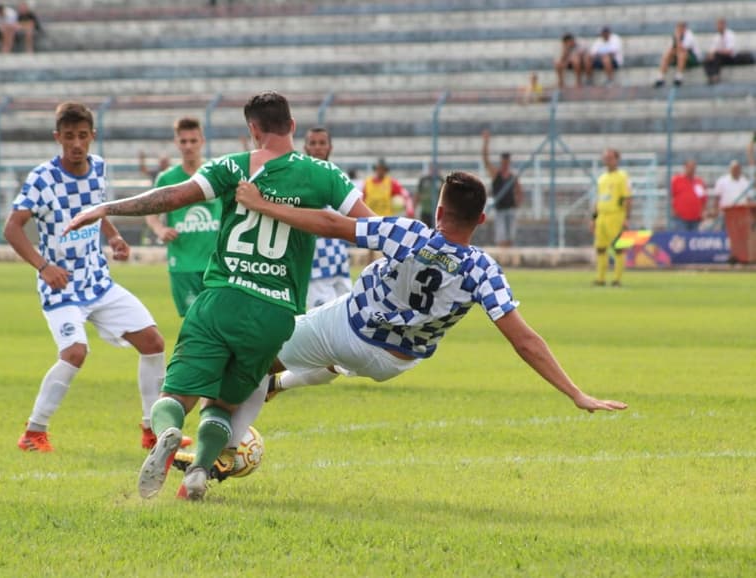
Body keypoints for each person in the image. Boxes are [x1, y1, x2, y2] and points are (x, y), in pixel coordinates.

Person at [205, 171, 628, 480]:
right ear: (481, 220)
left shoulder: (410, 234)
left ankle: (214, 450)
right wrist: (575, 393)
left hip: (348, 326)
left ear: (439, 210)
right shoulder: (484, 269)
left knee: (252, 359)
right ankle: (283, 385)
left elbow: (334, 224)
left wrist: (262, 205)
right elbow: (525, 342)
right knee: (332, 364)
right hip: (394, 362)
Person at [64, 91, 374, 501]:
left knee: (175, 394)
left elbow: (171, 197)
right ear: (293, 126)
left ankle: (169, 431)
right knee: (225, 405)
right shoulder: (325, 175)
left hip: (222, 298)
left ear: (253, 129)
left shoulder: (234, 166)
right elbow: (371, 224)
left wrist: (107, 208)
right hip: (276, 312)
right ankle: (198, 473)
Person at [3, 102, 172, 453]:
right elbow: (12, 228)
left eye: (82, 136)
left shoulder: (98, 168)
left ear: (93, 136)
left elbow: (95, 208)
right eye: (68, 137)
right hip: (61, 285)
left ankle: (151, 430)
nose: (76, 144)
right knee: (75, 352)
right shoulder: (41, 178)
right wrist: (44, 267)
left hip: (97, 281)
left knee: (153, 342)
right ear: (57, 138)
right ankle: (34, 433)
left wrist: (112, 236)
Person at [145, 117, 221, 317]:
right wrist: (160, 229)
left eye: (193, 141)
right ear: (176, 143)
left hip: (215, 265)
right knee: (193, 323)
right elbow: (151, 213)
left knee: (218, 321)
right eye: (183, 141)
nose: (188, 146)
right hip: (183, 264)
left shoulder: (216, 174)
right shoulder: (167, 179)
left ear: (202, 141)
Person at [303, 126, 353, 309]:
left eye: (322, 143)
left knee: (348, 319)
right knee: (326, 325)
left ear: (330, 147)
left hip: (339, 261)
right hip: (315, 265)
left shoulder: (339, 177)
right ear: (306, 147)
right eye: (313, 143)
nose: (318, 147)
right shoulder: (302, 179)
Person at [591, 149, 632, 287]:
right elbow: (598, 199)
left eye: (610, 157)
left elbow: (627, 199)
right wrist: (593, 218)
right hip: (602, 216)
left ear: (617, 159)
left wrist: (627, 217)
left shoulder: (622, 177)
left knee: (618, 247)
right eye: (605, 158)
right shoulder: (602, 178)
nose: (607, 160)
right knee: (600, 248)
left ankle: (617, 279)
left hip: (616, 216)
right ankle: (600, 278)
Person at [481, 130, 524, 248]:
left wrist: (519, 201)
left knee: (510, 237)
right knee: (502, 237)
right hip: (500, 209)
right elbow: (486, 160)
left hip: (510, 209)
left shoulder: (512, 176)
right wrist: (486, 143)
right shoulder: (496, 174)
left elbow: (519, 190)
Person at [654, 21, 702, 87]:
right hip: (679, 56)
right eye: (678, 27)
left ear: (684, 28)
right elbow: (671, 49)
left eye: (681, 27)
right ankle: (660, 77)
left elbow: (682, 49)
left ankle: (679, 77)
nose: (679, 29)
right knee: (668, 53)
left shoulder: (689, 35)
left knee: (682, 54)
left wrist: (678, 39)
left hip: (693, 59)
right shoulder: (676, 35)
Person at [670, 159, 707, 231]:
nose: (692, 169)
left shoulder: (699, 182)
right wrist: (673, 210)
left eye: (693, 167)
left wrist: (703, 212)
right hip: (681, 218)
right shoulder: (677, 180)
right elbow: (671, 196)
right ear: (685, 167)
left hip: (696, 219)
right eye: (690, 167)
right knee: (682, 239)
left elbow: (703, 199)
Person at [414, 163, 440, 228]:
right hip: (425, 211)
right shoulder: (423, 180)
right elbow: (418, 194)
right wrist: (414, 208)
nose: (434, 170)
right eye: (432, 168)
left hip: (437, 211)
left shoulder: (441, 180)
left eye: (435, 169)